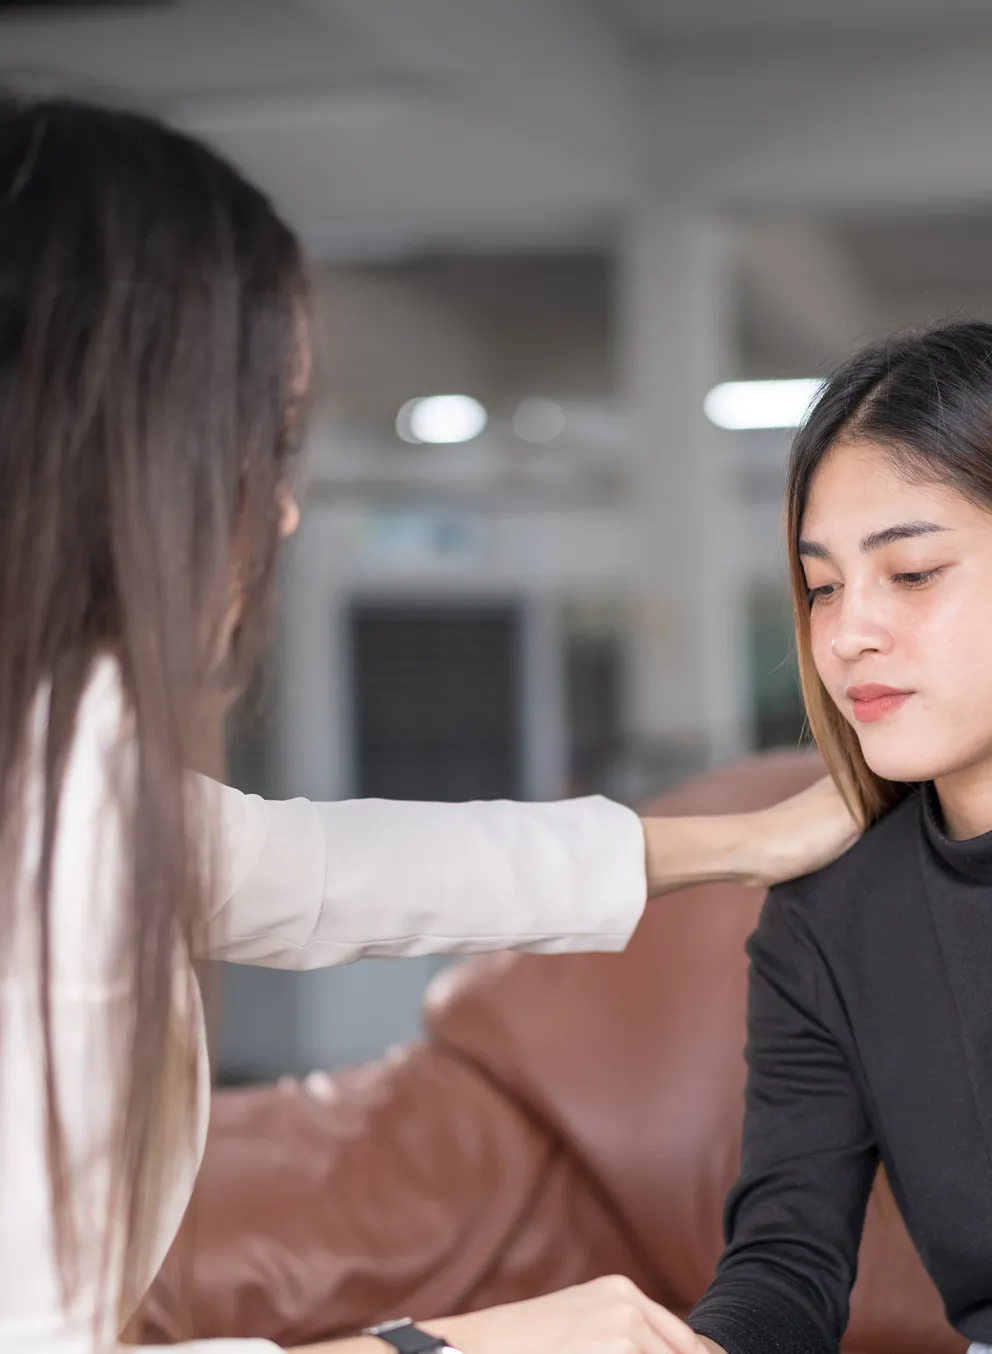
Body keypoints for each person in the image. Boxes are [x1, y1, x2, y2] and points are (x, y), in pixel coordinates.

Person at [0, 97, 859, 1354]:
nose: (281, 513)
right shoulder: (53, 822)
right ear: (121, 437)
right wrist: (454, 1346)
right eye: (265, 440)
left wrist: (741, 843)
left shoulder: (72, 768)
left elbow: (309, 870)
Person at [615, 319, 992, 1354]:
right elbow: (784, 1263)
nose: (844, 631)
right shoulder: (831, 912)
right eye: (821, 584)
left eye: (909, 572)